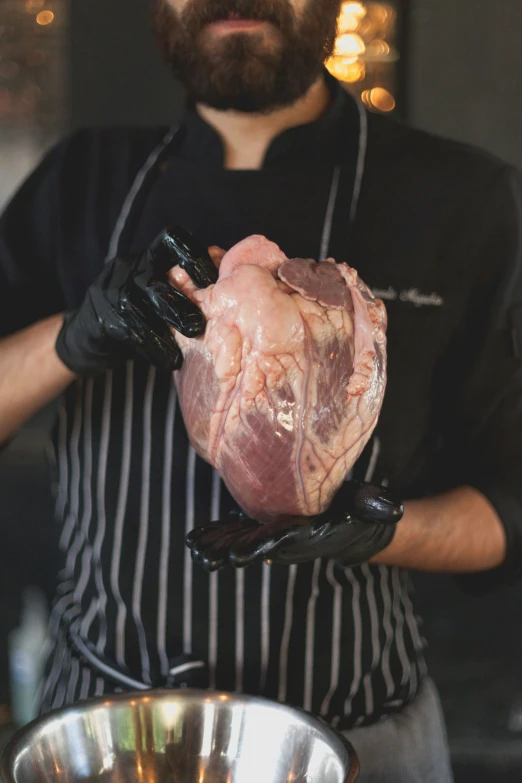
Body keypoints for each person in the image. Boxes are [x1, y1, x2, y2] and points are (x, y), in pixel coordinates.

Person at [0, 0, 521, 780]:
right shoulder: (79, 181)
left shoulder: (465, 198)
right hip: (106, 736)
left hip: (365, 741)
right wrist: (71, 334)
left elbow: (511, 505)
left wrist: (381, 533)